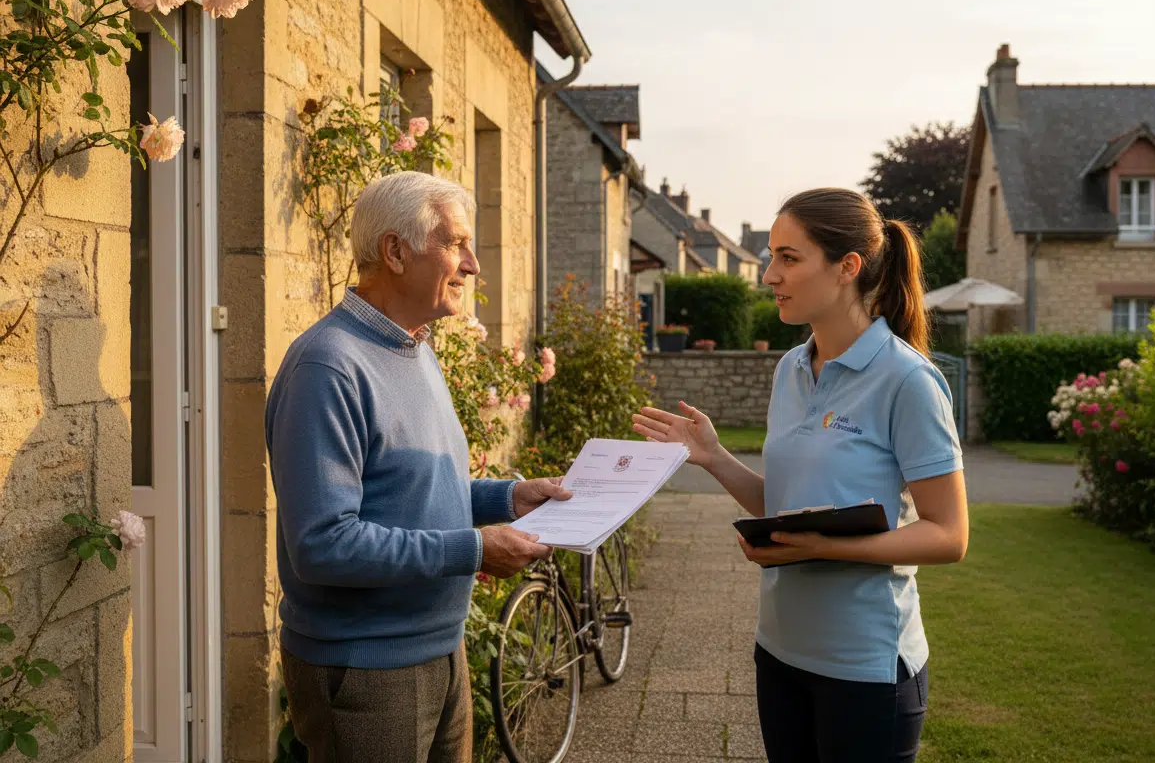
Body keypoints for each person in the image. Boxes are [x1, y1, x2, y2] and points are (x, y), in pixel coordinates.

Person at [633, 187, 968, 763]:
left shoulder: (908, 382)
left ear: (847, 267)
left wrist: (824, 548)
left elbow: (949, 535)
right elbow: (786, 504)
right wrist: (714, 456)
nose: (769, 275)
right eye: (772, 257)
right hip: (779, 652)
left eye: (789, 258)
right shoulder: (790, 368)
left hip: (865, 668)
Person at [266, 171, 571, 763]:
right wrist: (475, 550)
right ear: (396, 252)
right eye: (456, 244)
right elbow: (324, 545)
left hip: (440, 651)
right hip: (366, 670)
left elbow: (412, 487)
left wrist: (508, 499)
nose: (473, 266)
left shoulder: (416, 348)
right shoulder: (327, 368)